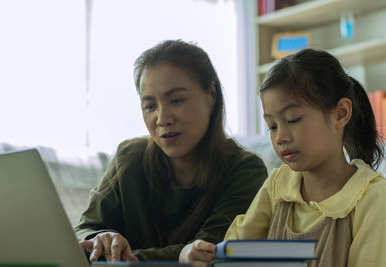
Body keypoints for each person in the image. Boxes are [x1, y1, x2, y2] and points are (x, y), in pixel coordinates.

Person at [74, 39, 268, 266]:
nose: (162, 118)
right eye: (150, 106)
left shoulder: (246, 171)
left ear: (211, 95)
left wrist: (120, 259)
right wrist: (99, 239)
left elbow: (208, 253)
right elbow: (84, 229)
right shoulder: (129, 158)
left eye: (176, 100)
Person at [223, 48, 386, 266]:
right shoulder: (277, 186)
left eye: (292, 119)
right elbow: (234, 249)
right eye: (272, 126)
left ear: (340, 113)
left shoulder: (372, 198)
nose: (280, 137)